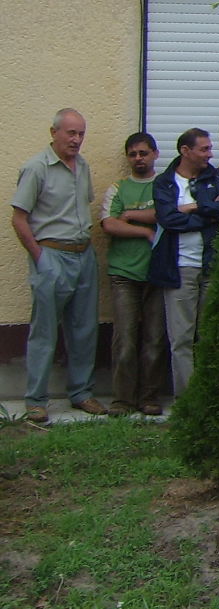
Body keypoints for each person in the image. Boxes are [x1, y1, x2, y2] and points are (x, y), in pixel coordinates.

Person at [11, 108, 106, 424]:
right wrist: (40, 258)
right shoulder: (36, 168)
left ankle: (81, 393)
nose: (77, 140)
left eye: (81, 134)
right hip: (51, 255)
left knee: (84, 330)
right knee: (44, 331)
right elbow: (19, 219)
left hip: (83, 255)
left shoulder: (82, 166)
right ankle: (36, 400)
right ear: (54, 133)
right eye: (71, 133)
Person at [150, 127, 219, 398]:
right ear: (185, 151)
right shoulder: (165, 183)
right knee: (182, 338)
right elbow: (168, 219)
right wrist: (209, 212)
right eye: (204, 149)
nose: (210, 154)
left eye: (210, 148)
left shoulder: (215, 177)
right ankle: (188, 400)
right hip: (180, 267)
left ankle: (211, 397)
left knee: (210, 335)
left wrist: (194, 206)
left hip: (211, 263)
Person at [99, 132, 167, 416]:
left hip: (157, 274)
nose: (138, 158)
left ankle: (149, 397)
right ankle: (122, 400)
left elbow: (167, 213)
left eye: (144, 153)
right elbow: (109, 224)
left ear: (155, 154)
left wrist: (131, 215)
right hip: (123, 274)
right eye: (133, 154)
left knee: (155, 339)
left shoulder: (165, 185)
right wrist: (145, 232)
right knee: (124, 340)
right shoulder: (117, 188)